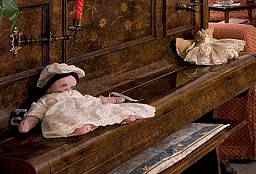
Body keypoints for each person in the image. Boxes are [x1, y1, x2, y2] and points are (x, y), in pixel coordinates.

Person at [15, 63, 155, 138]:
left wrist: (108, 100)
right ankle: (79, 128)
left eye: (70, 86)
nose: (67, 89)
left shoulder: (74, 93)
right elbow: (37, 111)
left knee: (100, 110)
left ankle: (123, 116)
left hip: (84, 109)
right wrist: (27, 123)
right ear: (49, 85)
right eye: (63, 86)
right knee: (69, 120)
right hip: (63, 114)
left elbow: (89, 100)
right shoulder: (47, 99)